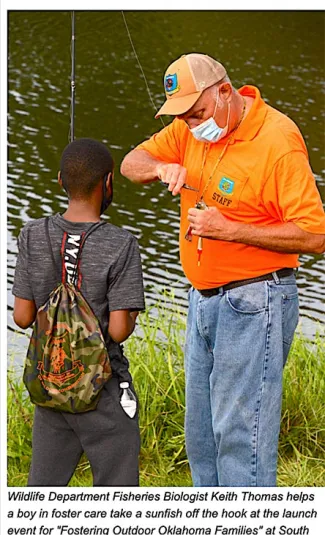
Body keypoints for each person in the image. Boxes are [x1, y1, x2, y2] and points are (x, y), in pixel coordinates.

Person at [120, 53, 325, 487]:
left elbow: (314, 235)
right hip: (202, 299)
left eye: (197, 114)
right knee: (201, 435)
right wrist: (161, 167)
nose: (193, 127)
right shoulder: (188, 128)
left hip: (256, 303)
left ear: (225, 92)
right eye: (184, 119)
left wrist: (229, 229)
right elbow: (129, 163)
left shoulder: (278, 140)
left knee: (239, 438)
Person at [13, 138, 145, 486]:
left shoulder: (32, 234)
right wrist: (131, 314)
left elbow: (23, 317)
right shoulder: (122, 244)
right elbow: (118, 331)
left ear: (60, 181)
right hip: (102, 391)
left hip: (51, 386)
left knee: (43, 488)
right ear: (108, 183)